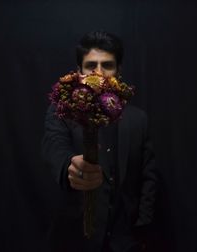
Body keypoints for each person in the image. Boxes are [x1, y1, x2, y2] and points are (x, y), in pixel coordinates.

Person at [42, 30, 157, 252]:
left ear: (118, 70)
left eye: (107, 65)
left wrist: (142, 228)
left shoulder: (138, 119)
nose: (99, 73)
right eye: (91, 65)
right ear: (79, 72)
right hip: (75, 240)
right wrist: (70, 166)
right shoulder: (61, 113)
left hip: (125, 240)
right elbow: (53, 148)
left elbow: (148, 177)